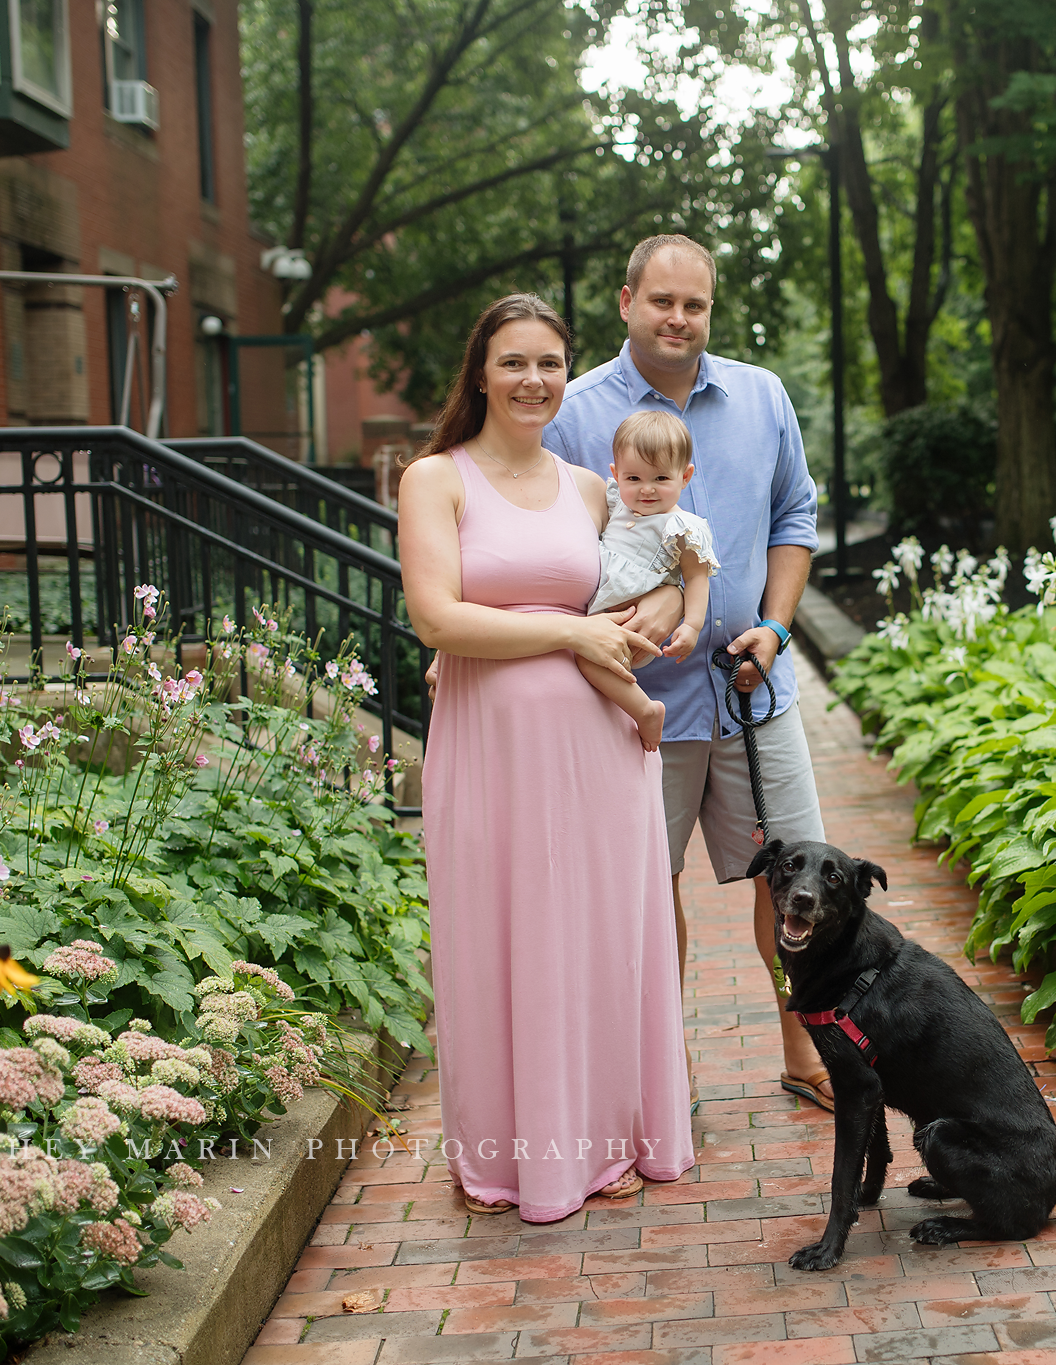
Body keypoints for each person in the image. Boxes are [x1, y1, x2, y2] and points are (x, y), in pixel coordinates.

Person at [396, 292, 694, 1222]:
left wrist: (651, 619)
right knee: (500, 941)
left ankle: (610, 1139)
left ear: (570, 375)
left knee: (602, 940)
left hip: (600, 754)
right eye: (515, 362)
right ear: (480, 372)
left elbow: (633, 593)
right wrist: (568, 634)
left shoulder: (590, 487)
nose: (534, 380)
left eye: (551, 363)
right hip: (494, 754)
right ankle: (516, 1161)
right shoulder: (434, 480)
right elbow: (436, 618)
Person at [543, 234, 837, 1112]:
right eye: (662, 301)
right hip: (637, 706)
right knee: (641, 891)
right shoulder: (574, 412)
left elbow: (795, 514)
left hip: (756, 693)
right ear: (625, 300)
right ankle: (659, 1078)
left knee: (797, 881)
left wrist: (777, 631)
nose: (679, 318)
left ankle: (807, 1050)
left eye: (695, 304)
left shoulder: (762, 396)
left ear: (711, 308)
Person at [577, 410, 719, 752]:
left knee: (585, 658)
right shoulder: (616, 505)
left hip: (634, 619)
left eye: (660, 478)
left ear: (685, 477)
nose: (646, 490)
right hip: (603, 615)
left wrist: (693, 625)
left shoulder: (681, 525)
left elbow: (697, 577)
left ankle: (645, 710)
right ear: (616, 475)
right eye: (634, 479)